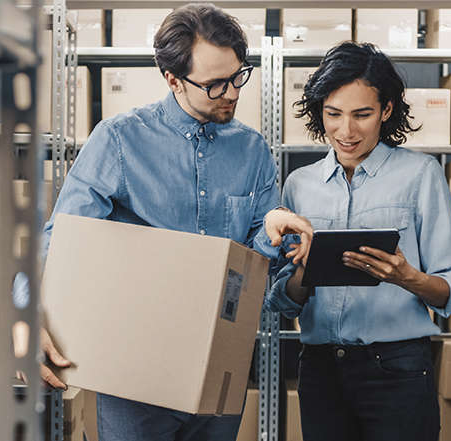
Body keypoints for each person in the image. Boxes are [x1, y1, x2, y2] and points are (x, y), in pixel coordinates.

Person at [22, 4, 314, 441]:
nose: (232, 93)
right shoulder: (119, 140)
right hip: (134, 372)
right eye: (215, 85)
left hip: (220, 362)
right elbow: (60, 240)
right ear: (173, 79)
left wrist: (271, 228)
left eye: (237, 76)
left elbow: (254, 264)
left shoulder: (253, 151)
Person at [263, 42, 451, 441]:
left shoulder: (421, 175)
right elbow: (281, 301)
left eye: (362, 115)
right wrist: (306, 269)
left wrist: (407, 276)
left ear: (386, 110)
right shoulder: (299, 185)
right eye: (333, 114)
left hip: (398, 368)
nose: (346, 131)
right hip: (321, 371)